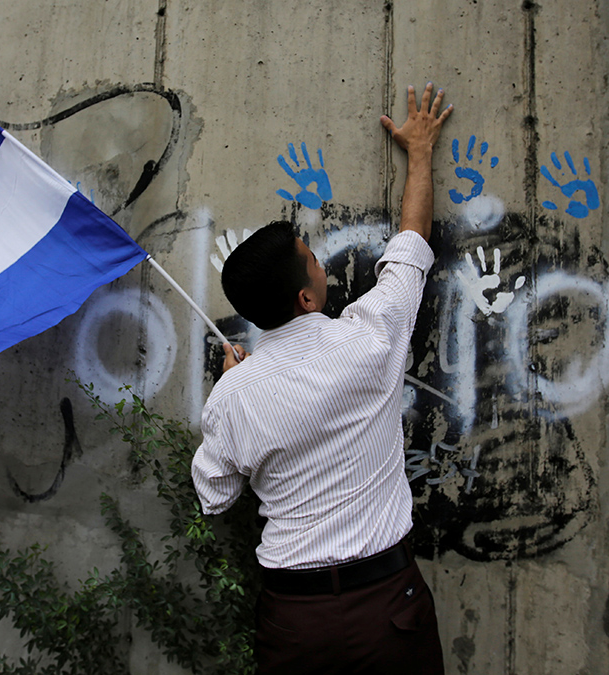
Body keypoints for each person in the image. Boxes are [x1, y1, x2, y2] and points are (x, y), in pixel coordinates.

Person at [191, 82, 451, 675]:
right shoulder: (370, 339)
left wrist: (233, 391)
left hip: (294, 622)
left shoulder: (236, 393)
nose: (320, 260)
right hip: (389, 609)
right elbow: (409, 248)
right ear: (308, 296)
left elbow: (214, 497)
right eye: (313, 258)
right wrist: (421, 153)